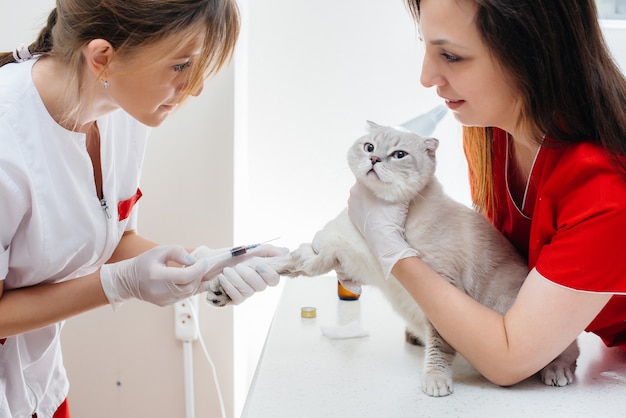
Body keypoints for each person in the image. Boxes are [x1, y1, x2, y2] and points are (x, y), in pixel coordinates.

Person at [0, 1, 285, 416]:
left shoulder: (119, 107)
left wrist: (203, 266)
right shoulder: (7, 144)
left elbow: (110, 237)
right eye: (180, 65)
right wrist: (119, 285)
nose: (195, 87)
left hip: (39, 384)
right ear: (102, 58)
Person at [347, 0, 626, 387]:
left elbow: (509, 361)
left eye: (451, 55)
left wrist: (393, 251)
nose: (427, 77)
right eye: (426, 48)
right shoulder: (493, 128)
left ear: (531, 53)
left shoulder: (604, 187)